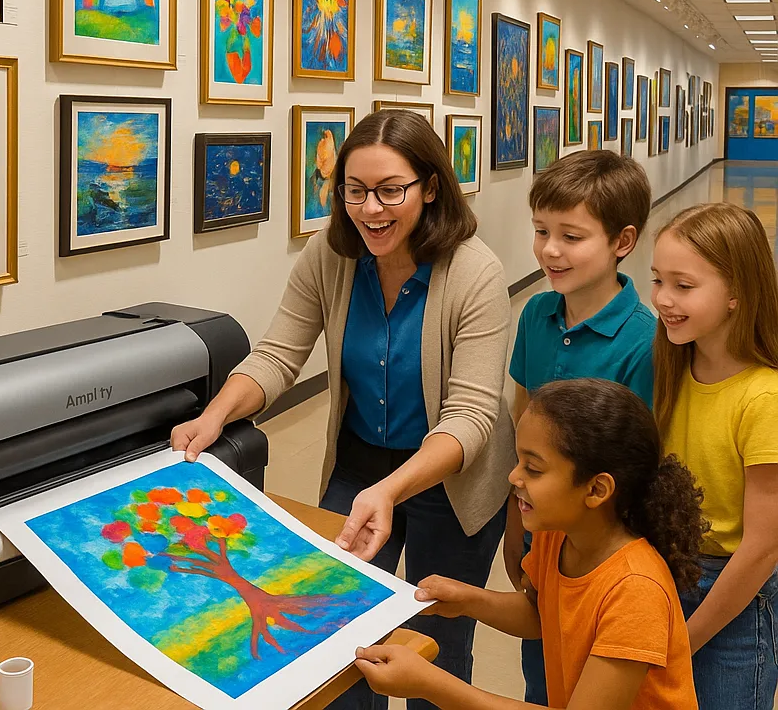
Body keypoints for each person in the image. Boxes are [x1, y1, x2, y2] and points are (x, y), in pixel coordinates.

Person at [171, 109, 515, 709]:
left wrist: (393, 489)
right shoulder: (329, 257)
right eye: (355, 191)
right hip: (359, 468)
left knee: (435, 645)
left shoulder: (474, 271)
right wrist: (215, 415)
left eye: (390, 191)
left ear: (430, 188)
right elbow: (278, 356)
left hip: (452, 481)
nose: (370, 210)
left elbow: (471, 418)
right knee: (336, 636)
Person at [355, 377, 705, 710]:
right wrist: (467, 600)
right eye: (518, 460)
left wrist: (430, 684)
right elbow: (543, 615)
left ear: (597, 490)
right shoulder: (557, 532)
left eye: (533, 469)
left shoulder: (636, 591)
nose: (513, 476)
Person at [504, 150, 656, 705]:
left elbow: (641, 469)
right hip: (542, 539)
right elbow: (520, 429)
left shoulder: (644, 341)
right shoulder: (534, 315)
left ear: (623, 241)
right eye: (542, 231)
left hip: (603, 558)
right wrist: (514, 523)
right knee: (542, 673)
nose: (549, 249)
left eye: (572, 236)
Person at [651, 203, 778, 710]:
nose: (662, 299)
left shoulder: (763, 398)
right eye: (658, 280)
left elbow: (762, 550)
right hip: (667, 576)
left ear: (736, 295)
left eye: (684, 286)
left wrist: (686, 637)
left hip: (736, 599)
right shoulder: (670, 369)